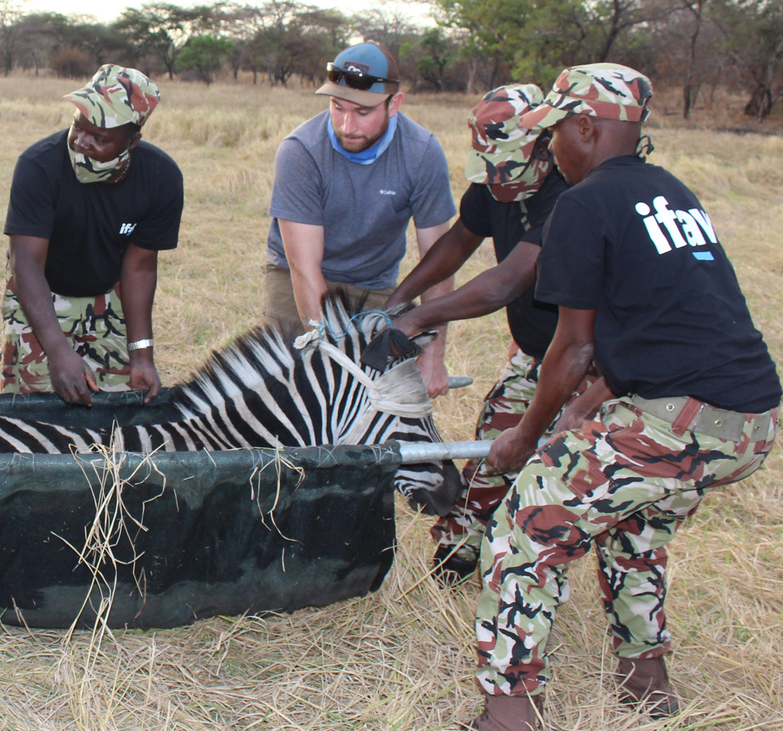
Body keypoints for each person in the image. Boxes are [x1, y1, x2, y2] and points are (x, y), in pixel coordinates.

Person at [466, 64, 780, 730]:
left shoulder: (583, 202)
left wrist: (526, 438)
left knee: (529, 522)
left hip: (681, 419)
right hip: (749, 418)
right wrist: (596, 400)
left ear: (587, 126)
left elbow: (571, 347)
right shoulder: (671, 193)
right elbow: (671, 319)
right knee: (632, 516)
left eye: (554, 133)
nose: (549, 149)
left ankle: (509, 712)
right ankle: (647, 684)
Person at [383, 85, 593, 585]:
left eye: (504, 163)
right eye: (486, 162)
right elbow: (458, 241)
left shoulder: (570, 197)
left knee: (564, 460)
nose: (494, 178)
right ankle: (460, 543)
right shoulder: (494, 185)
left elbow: (507, 281)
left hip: (591, 359)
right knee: (495, 441)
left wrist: (416, 319)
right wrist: (400, 298)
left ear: (542, 145)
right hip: (538, 349)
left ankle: (530, 564)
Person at [266, 41, 456, 397]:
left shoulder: (422, 152)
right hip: (299, 280)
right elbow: (305, 269)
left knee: (380, 400)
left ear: (394, 104)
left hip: (377, 283)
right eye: (337, 108)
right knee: (300, 392)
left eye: (362, 112)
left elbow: (439, 261)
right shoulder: (300, 151)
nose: (346, 125)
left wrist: (433, 352)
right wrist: (329, 353)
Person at [0, 63, 183, 406]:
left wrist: (141, 355)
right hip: (40, 292)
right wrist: (57, 352)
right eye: (77, 127)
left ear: (132, 141)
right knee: (32, 410)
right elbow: (26, 266)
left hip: (108, 296)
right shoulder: (39, 166)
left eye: (99, 138)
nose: (81, 143)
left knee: (114, 411)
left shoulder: (161, 178)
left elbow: (139, 268)